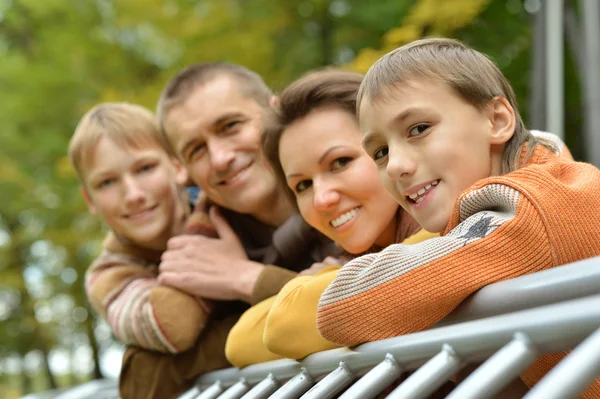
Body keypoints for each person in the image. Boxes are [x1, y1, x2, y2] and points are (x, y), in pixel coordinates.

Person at [315, 38, 600, 396]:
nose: (397, 167)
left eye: (419, 129)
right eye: (381, 152)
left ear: (497, 120)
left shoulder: (522, 209)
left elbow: (341, 309)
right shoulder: (557, 180)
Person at [118, 63, 338, 398]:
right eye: (197, 149)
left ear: (276, 111)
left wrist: (246, 279)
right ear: (182, 169)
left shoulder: (351, 180)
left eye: (230, 126)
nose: (220, 158)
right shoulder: (200, 248)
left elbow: (377, 299)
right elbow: (141, 378)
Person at [225, 70, 438, 368]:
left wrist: (325, 279)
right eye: (303, 185)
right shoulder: (357, 253)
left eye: (340, 162)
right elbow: (239, 343)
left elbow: (285, 326)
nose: (322, 198)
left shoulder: (450, 225)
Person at [69, 102, 219, 354]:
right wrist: (207, 229)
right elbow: (171, 327)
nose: (133, 194)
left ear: (177, 166)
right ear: (90, 200)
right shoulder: (108, 275)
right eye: (106, 182)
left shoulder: (229, 203)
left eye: (145, 168)